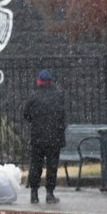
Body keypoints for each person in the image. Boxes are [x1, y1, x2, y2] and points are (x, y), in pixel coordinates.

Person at [23, 69, 66, 204]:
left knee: (36, 165)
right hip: (54, 138)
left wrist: (36, 122)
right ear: (51, 81)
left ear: (39, 82)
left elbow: (26, 114)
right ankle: (50, 193)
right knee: (52, 166)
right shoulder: (58, 96)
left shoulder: (34, 97)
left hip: (38, 138)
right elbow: (62, 117)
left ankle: (34, 193)